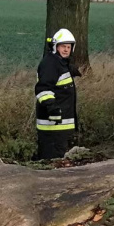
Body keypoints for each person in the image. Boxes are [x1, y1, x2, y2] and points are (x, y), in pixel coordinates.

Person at [34, 28, 78, 160]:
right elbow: (43, 88)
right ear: (55, 47)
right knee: (53, 163)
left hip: (60, 127)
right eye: (63, 46)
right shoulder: (51, 63)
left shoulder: (60, 63)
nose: (66, 50)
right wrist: (52, 108)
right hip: (52, 128)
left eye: (68, 47)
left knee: (60, 163)